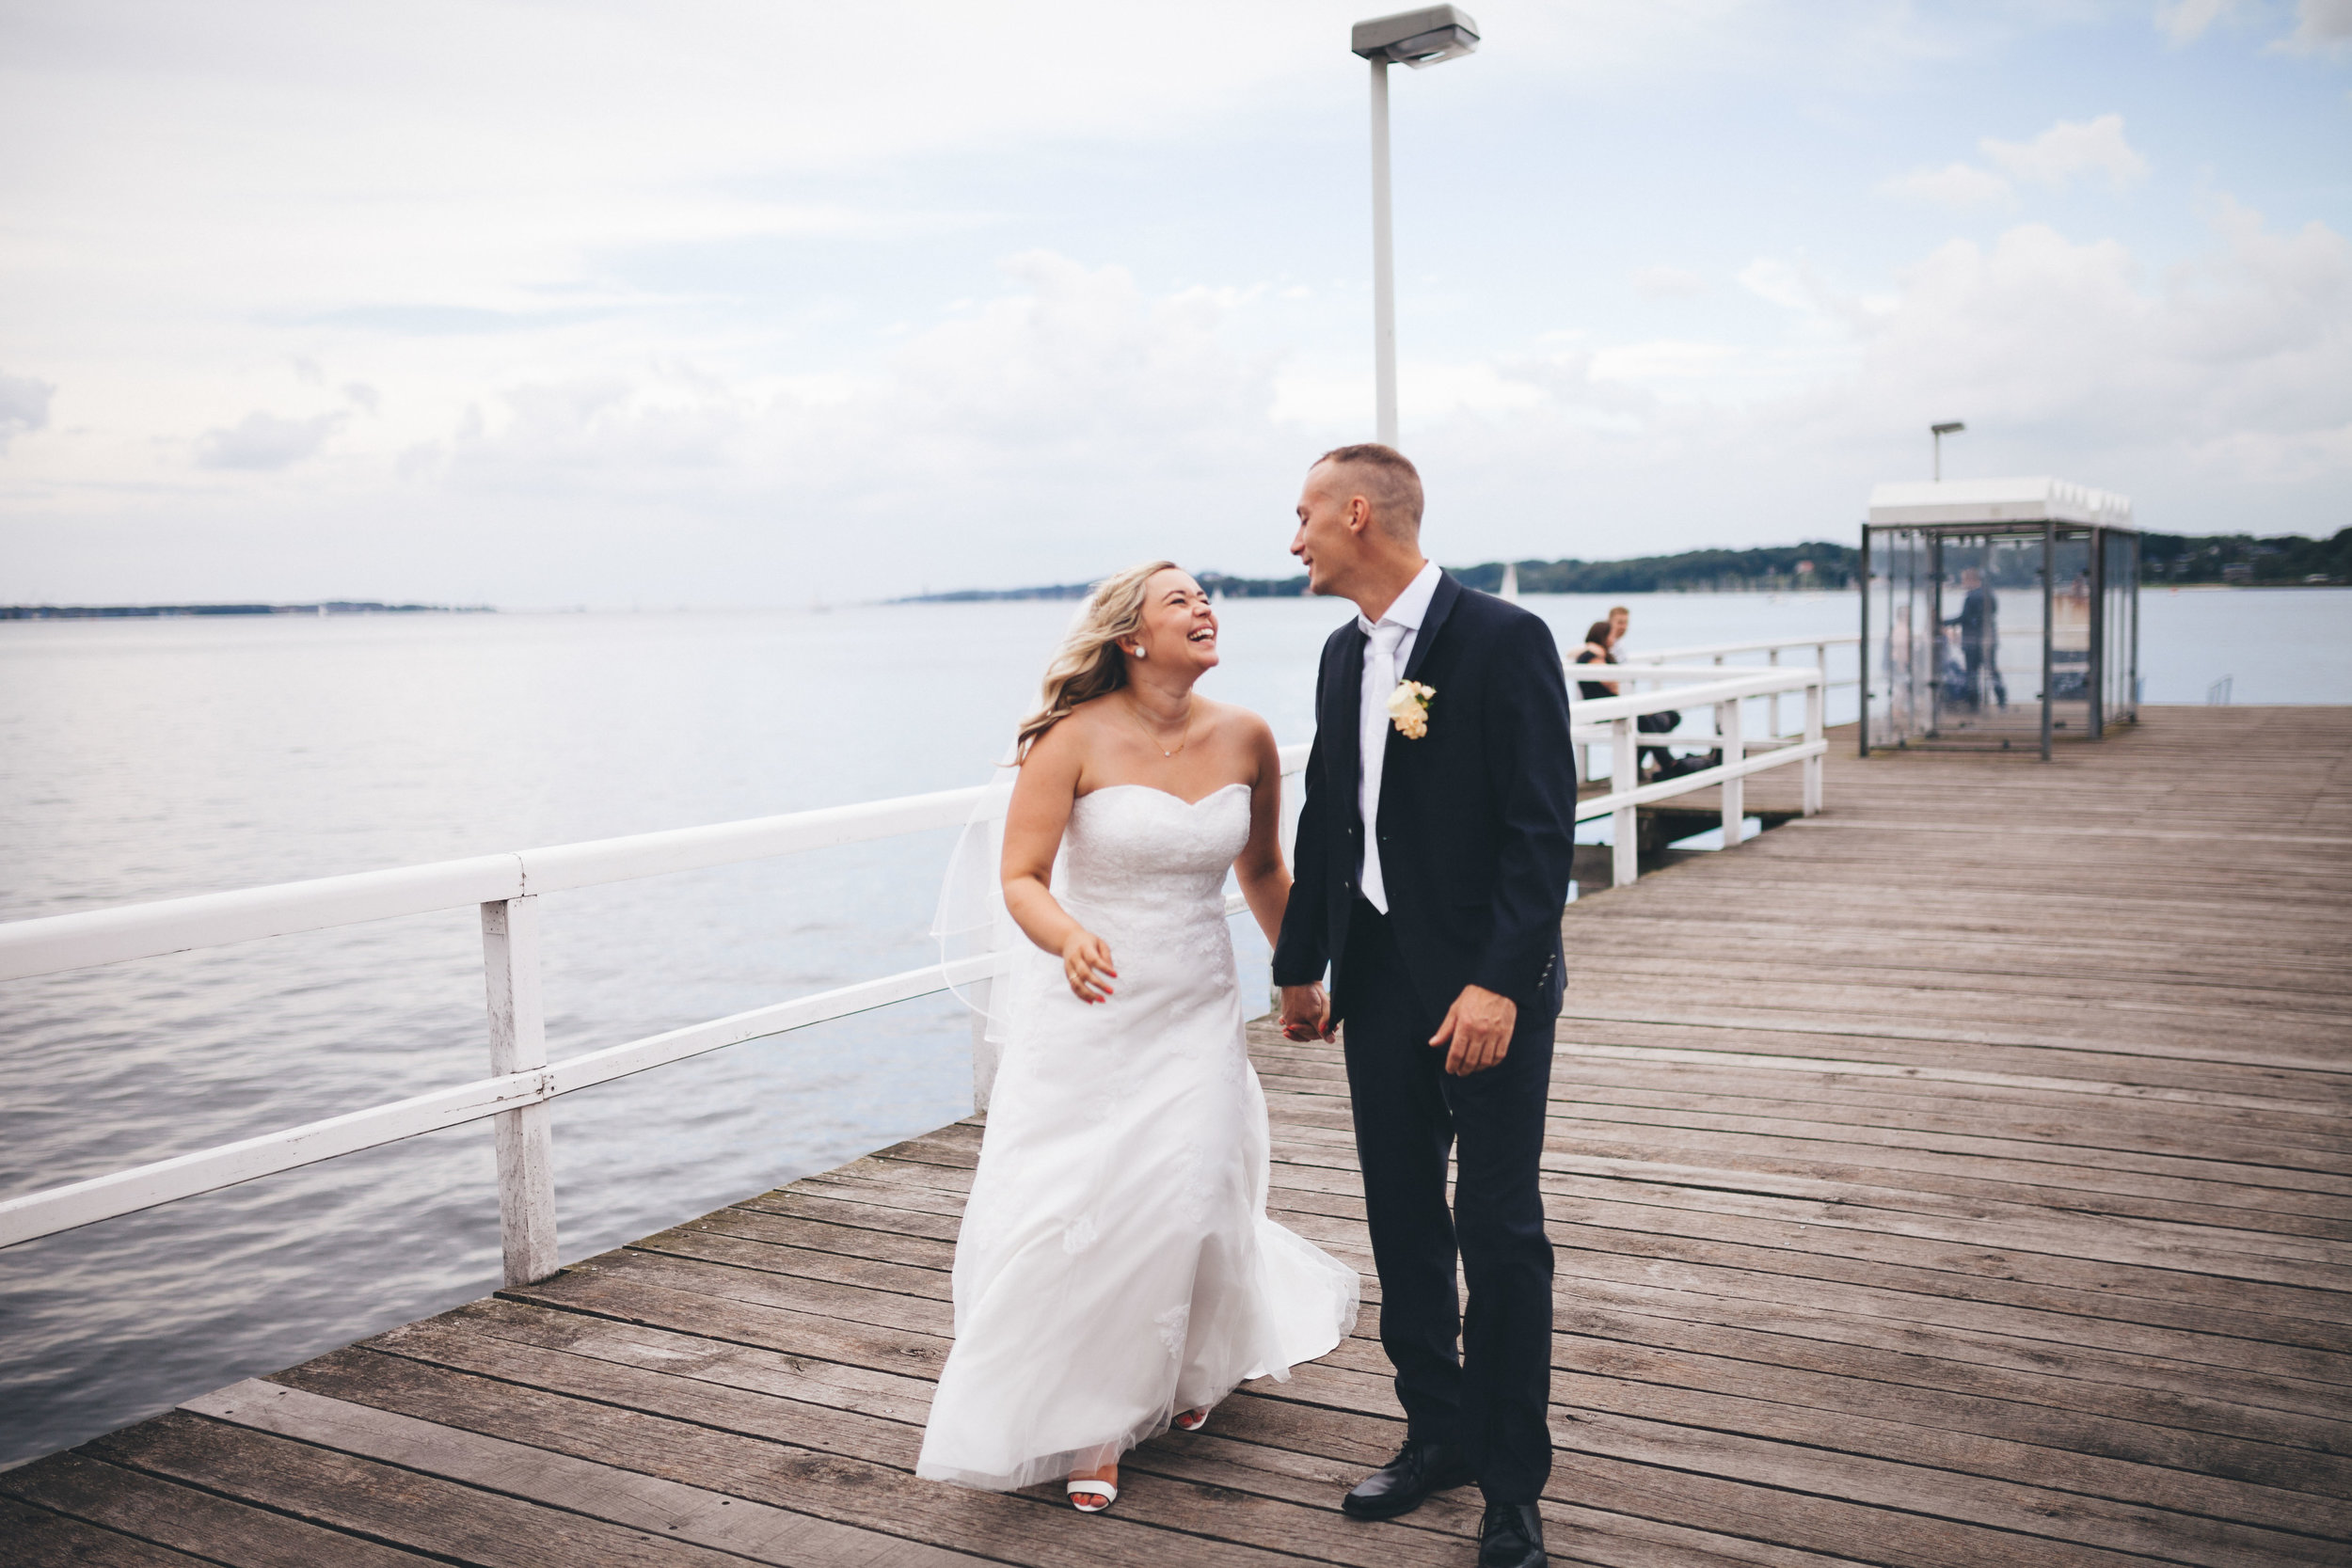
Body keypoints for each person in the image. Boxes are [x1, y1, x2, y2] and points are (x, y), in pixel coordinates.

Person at [915, 562, 1359, 1513]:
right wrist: (1068, 935)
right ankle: (1095, 1419)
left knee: (1192, 1192)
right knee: (1089, 1202)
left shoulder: (1245, 735)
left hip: (1198, 999)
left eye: (1206, 596)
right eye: (1180, 599)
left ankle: (1187, 1361)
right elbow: (1023, 875)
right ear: (1131, 635)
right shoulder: (1067, 739)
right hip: (1093, 1005)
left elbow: (1264, 867)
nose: (1204, 607)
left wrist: (1300, 975)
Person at [1275, 444, 1577, 1568]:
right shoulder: (1338, 657)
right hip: (1383, 978)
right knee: (1403, 1217)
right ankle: (1435, 1434)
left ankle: (1511, 1485)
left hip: (1488, 985)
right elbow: (1327, 821)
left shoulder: (1503, 640)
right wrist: (1301, 964)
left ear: (1359, 513)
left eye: (1304, 512)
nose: (1292, 536)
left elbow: (1544, 829)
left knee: (1498, 1232)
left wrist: (1500, 979)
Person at [1943, 567, 2003, 710]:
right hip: (1989, 639)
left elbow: (1965, 618)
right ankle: (2001, 701)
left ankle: (1974, 704)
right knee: (1992, 671)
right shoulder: (1989, 594)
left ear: (1971, 580)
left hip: (1973, 641)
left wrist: (1943, 622)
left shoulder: (1972, 597)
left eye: (1964, 580)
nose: (1962, 583)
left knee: (1972, 674)